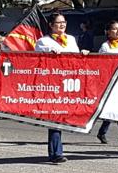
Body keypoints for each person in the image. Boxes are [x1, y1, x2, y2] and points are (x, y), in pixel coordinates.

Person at [35, 12, 90, 163]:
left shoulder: (71, 39)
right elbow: (35, 60)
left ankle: (55, 152)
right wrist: (48, 53)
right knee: (55, 117)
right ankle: (56, 152)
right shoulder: (43, 41)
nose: (62, 25)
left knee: (62, 117)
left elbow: (76, 60)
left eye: (63, 22)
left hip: (68, 83)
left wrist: (83, 54)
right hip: (51, 84)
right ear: (51, 25)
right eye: (58, 23)